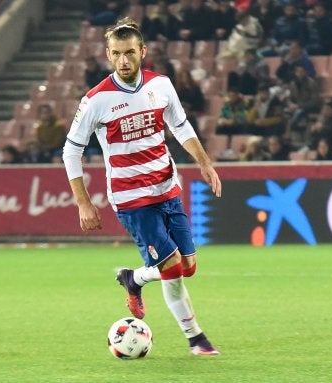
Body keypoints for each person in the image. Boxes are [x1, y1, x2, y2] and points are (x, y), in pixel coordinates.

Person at [62, 17, 222, 356]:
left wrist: (205, 163)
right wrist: (83, 202)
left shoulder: (161, 85)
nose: (124, 60)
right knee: (173, 267)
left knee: (188, 267)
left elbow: (180, 124)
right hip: (131, 198)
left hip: (167, 188)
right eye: (117, 54)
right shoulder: (96, 100)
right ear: (108, 54)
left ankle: (134, 278)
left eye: (130, 53)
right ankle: (196, 339)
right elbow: (71, 149)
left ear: (142, 52)